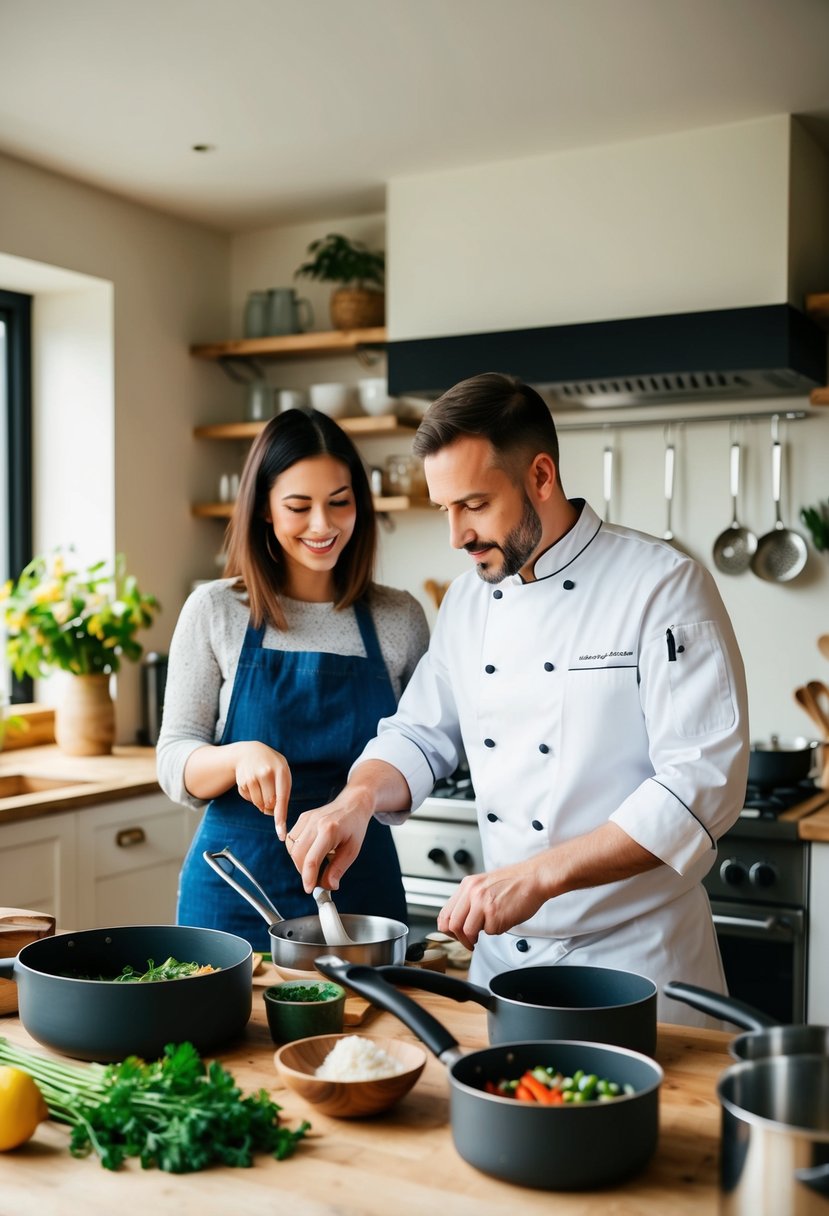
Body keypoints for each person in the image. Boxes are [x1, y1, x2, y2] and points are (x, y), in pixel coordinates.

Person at [280, 373, 750, 1026]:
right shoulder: (470, 600)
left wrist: (539, 876)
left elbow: (701, 784)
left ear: (539, 476)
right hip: (506, 968)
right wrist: (356, 800)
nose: (456, 535)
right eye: (445, 508)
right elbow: (420, 733)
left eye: (473, 504)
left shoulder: (662, 586)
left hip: (639, 966)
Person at [156, 407, 430, 950]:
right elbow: (173, 758)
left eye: (340, 502)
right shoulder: (216, 609)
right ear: (263, 509)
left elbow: (425, 751)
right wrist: (237, 757)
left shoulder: (399, 618)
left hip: (360, 892)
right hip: (233, 889)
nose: (323, 526)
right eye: (299, 507)